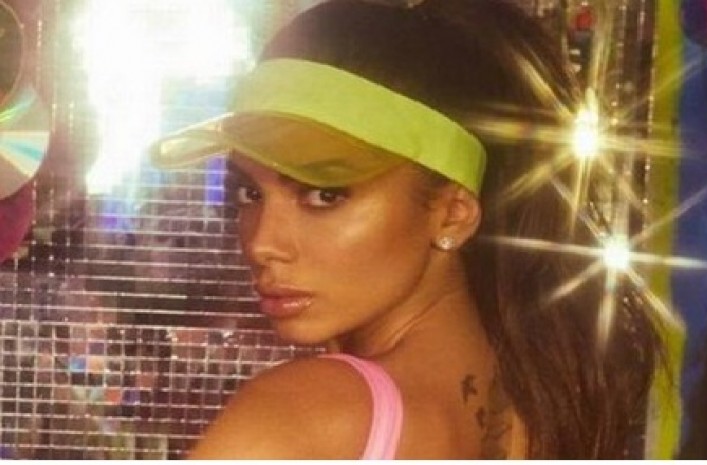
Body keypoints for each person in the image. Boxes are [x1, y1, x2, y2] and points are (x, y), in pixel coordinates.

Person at [150, 0, 662, 459]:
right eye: (248, 193)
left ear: (452, 214)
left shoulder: (302, 418)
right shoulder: (541, 407)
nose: (263, 243)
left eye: (324, 194)